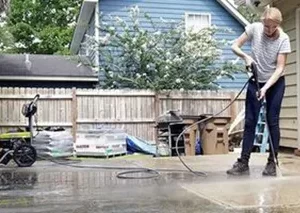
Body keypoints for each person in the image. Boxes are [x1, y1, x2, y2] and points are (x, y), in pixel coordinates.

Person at [226, 7, 291, 176]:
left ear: (278, 24)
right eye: (267, 26)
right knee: (250, 121)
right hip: (255, 81)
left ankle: (272, 163)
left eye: (273, 27)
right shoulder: (254, 29)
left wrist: (266, 88)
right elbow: (234, 46)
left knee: (272, 121)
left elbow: (280, 68)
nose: (269, 30)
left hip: (275, 84)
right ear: (262, 22)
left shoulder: (283, 39)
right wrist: (245, 56)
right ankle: (243, 163)